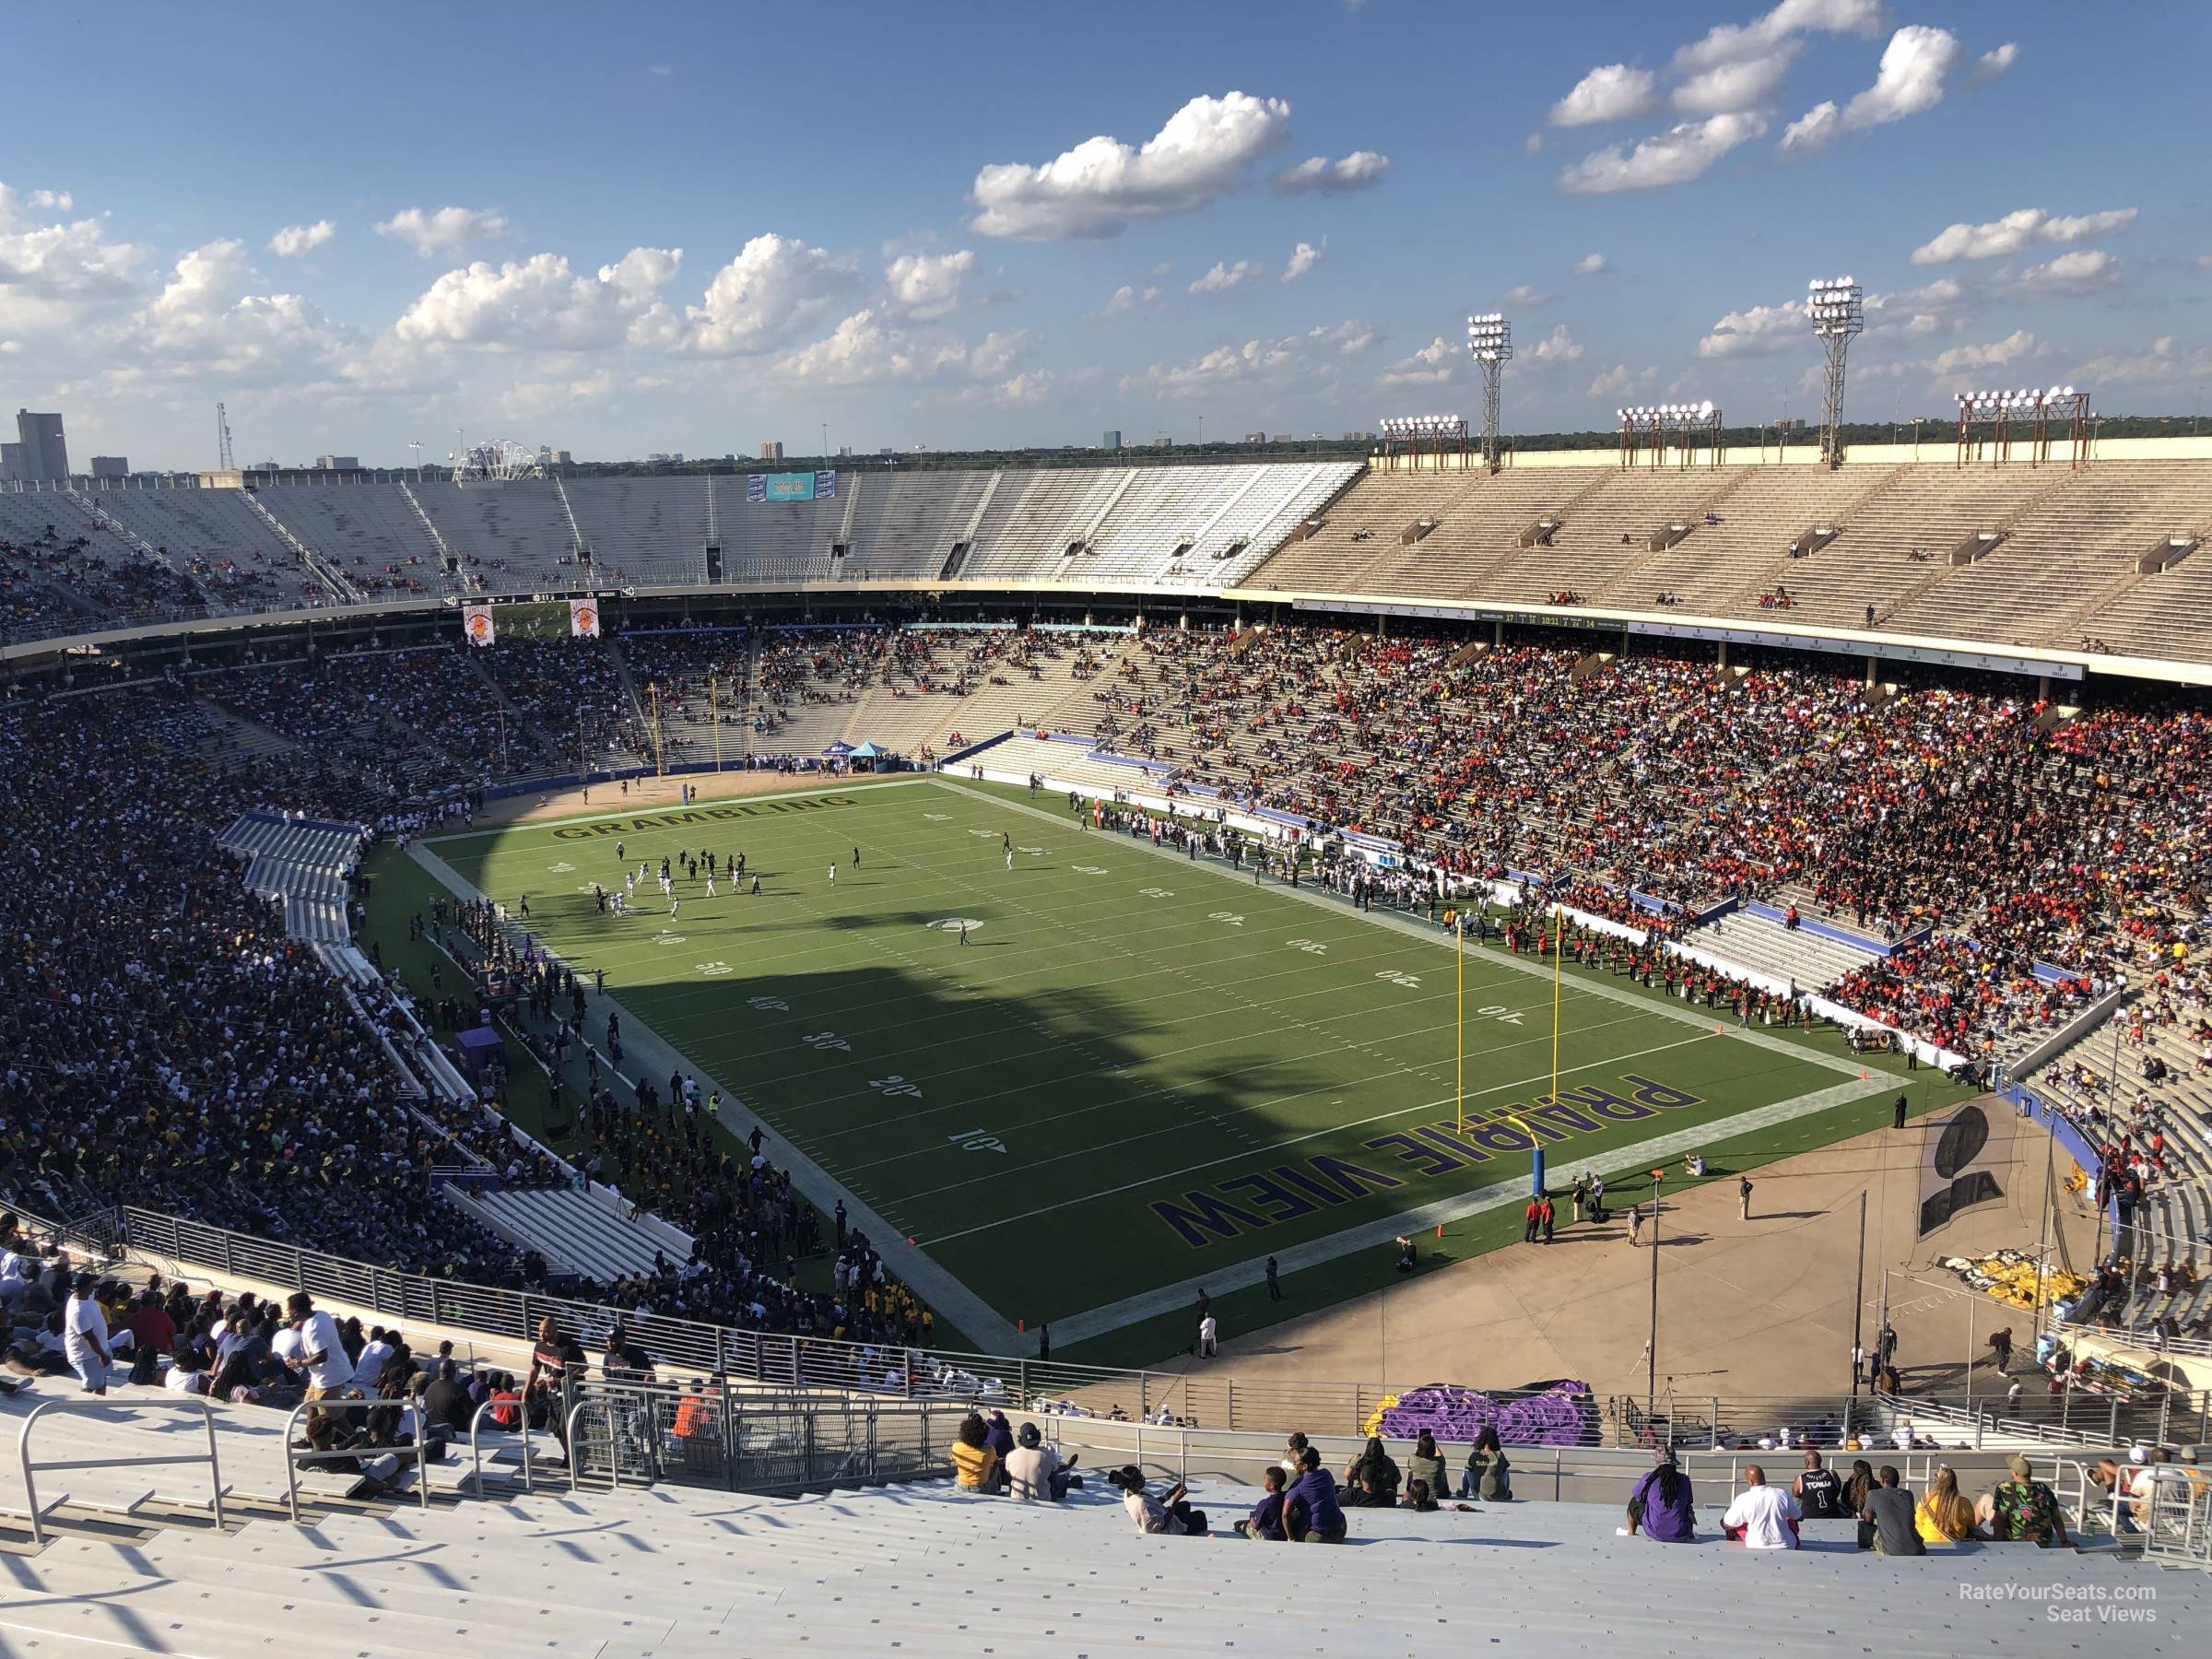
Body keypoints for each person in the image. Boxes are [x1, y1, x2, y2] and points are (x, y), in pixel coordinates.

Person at [1986, 1453, 2068, 1547]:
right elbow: (2056, 1518)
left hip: (2014, 1541)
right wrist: (2064, 1541)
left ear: (2014, 1473)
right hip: (2043, 1542)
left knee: (1985, 1500)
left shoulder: (2006, 1489)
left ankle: (1972, 1530)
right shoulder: (2043, 1488)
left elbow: (1999, 1519)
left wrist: (1997, 1544)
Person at [1722, 1464, 1801, 1548]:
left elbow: (1728, 1522)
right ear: (1764, 1478)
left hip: (1756, 1544)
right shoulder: (1782, 1494)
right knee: (1790, 1519)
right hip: (1786, 1544)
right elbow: (1797, 1515)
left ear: (1750, 1481)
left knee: (1729, 1521)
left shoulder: (1744, 1498)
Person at [1111, 1465, 1206, 1535]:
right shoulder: (1141, 1503)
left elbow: (1154, 1503)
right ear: (1134, 1484)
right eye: (1140, 1478)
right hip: (1166, 1529)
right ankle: (1188, 1533)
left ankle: (1188, 1524)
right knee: (1200, 1516)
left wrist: (1171, 1492)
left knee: (1185, 1505)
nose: (1143, 1478)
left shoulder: (1129, 1493)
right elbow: (1161, 1526)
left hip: (1159, 1517)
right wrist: (1175, 1501)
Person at [1623, 1450, 1695, 1541]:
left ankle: (1631, 1532)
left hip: (1654, 1531)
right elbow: (1689, 1501)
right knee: (1688, 1507)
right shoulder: (1684, 1479)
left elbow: (1637, 1495)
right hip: (1681, 1532)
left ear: (1658, 1462)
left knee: (1634, 1502)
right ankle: (1690, 1533)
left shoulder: (1649, 1478)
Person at [62, 1272, 112, 1394]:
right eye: (92, 1284)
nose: (94, 1286)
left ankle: (100, 1406)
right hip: (87, 1356)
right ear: (86, 1286)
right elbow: (89, 1338)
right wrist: (102, 1355)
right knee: (90, 1386)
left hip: (99, 1350)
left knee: (100, 1382)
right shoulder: (78, 1312)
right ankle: (85, 1408)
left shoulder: (85, 1296)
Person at [1284, 1446, 1346, 1543]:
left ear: (1304, 1466)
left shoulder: (1298, 1487)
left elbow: (1285, 1515)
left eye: (1295, 1463)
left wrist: (1290, 1539)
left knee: (1293, 1525)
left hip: (1321, 1537)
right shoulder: (1327, 1474)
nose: (1293, 1465)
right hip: (1341, 1529)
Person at [1005, 1421, 1075, 1501]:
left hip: (1016, 1498)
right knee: (1062, 1479)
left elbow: (1010, 1476)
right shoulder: (1048, 1454)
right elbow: (1053, 1479)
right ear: (1038, 1436)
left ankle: (1066, 1470)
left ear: (1020, 1438)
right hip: (1043, 1499)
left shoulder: (1011, 1455)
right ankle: (1068, 1474)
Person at [1862, 1465, 1924, 1556]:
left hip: (1891, 1550)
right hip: (1916, 1549)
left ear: (1882, 1480)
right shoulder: (1908, 1495)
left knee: (1865, 1527)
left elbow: (1867, 1519)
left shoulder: (1873, 1494)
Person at [1914, 1464, 1980, 1543]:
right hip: (1955, 1542)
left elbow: (1918, 1520)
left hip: (1928, 1539)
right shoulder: (1965, 1503)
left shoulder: (1927, 1499)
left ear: (1938, 1482)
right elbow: (1971, 1526)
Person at [1342, 1436, 1400, 1506]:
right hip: (1382, 1498)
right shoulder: (1389, 1462)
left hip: (1358, 1495)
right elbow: (1398, 1479)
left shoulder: (1358, 1460)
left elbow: (1347, 1475)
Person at [950, 1412, 999, 1492]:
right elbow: (994, 1462)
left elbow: (954, 1461)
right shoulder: (990, 1450)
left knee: (957, 1475)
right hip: (981, 1489)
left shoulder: (956, 1447)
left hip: (961, 1487)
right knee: (996, 1467)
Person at [1237, 1466, 1288, 1539]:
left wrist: (1252, 1515)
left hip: (1268, 1536)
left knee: (1239, 1524)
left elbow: (1255, 1525)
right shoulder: (1286, 1497)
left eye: (1264, 1481)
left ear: (1271, 1486)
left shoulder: (1264, 1504)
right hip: (1281, 1534)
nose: (1263, 1483)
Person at [1464, 1426, 1511, 1501]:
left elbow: (1469, 1470)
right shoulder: (1499, 1455)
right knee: (1505, 1470)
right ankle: (1506, 1493)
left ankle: (1464, 1493)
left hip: (1481, 1496)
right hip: (1499, 1496)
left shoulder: (1474, 1455)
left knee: (1467, 1469)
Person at [1794, 1449, 1845, 1521]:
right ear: (1820, 1461)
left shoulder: (1800, 1479)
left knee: (1798, 1500)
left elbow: (1796, 1494)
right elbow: (1837, 1490)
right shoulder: (1832, 1474)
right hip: (1832, 1515)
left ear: (1807, 1462)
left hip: (1809, 1517)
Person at [1842, 1459, 1878, 1550]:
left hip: (1851, 1519)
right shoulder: (1876, 1486)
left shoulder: (1848, 1486)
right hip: (1873, 1521)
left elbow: (1844, 1501)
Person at [1407, 1430, 1449, 1503]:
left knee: (1410, 1473)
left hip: (1418, 1493)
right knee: (1443, 1473)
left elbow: (1416, 1452)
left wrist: (1421, 1444)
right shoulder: (1438, 1462)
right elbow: (1441, 1456)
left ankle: (1409, 1491)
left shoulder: (1413, 1459)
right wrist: (1433, 1442)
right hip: (1436, 1494)